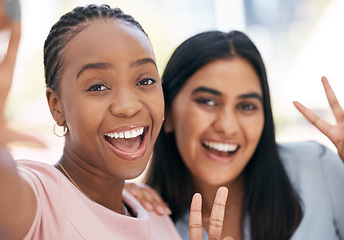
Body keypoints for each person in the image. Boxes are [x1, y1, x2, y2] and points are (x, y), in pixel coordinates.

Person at [0, 4, 234, 240]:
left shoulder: (156, 215)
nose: (128, 106)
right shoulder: (41, 199)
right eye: (98, 86)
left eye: (144, 81)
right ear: (56, 106)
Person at [125, 30, 344, 240]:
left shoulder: (316, 167)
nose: (227, 126)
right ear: (168, 112)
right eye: (208, 101)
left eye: (247, 106)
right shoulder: (145, 219)